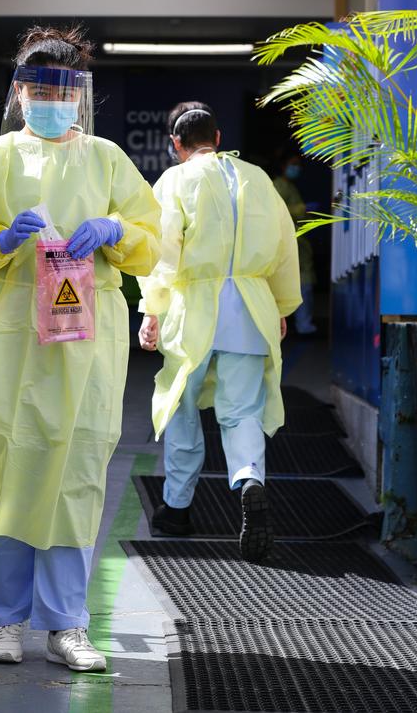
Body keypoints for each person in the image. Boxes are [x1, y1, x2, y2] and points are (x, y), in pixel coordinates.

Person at [0, 26, 161, 672]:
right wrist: (2, 239)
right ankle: (5, 619)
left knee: (76, 474)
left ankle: (67, 623)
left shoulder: (106, 159)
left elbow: (148, 235)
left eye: (61, 89)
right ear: (21, 91)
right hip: (9, 338)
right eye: (38, 88)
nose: (49, 100)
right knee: (13, 472)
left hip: (84, 344)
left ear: (78, 93)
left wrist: (116, 227)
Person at [138, 102, 301, 561]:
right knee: (242, 410)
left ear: (176, 144)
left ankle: (176, 509)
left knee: (182, 408)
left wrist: (151, 309)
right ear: (219, 135)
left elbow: (163, 251)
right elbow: (285, 246)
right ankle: (249, 479)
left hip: (194, 312)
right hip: (252, 309)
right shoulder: (258, 180)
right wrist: (281, 305)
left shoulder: (175, 181)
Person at [273, 148, 318, 335]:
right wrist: (302, 208)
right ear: (283, 165)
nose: (296, 168)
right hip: (287, 243)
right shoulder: (279, 186)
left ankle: (303, 325)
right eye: (293, 164)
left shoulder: (290, 186)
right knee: (300, 287)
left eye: (298, 165)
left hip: (298, 243)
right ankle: (302, 325)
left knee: (304, 287)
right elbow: (277, 210)